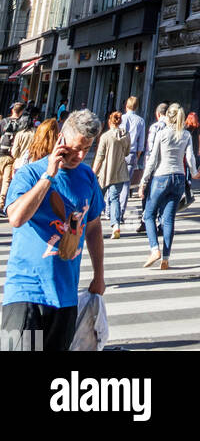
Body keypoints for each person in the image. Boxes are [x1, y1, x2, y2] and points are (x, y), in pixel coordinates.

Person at [1, 109, 105, 351]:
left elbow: (93, 227)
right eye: (76, 147)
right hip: (26, 294)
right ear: (62, 139)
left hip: (65, 295)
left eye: (86, 149)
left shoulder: (87, 176)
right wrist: (49, 176)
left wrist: (99, 275)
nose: (80, 155)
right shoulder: (30, 173)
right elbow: (15, 218)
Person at [139, 102, 200, 269]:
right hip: (179, 178)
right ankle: (165, 257)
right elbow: (190, 158)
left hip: (161, 176)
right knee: (169, 219)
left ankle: (154, 249)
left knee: (149, 214)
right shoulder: (186, 135)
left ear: (168, 116)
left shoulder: (162, 133)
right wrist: (194, 173)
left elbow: (152, 160)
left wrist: (143, 181)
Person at [92, 112, 131, 240]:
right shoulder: (126, 135)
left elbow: (100, 157)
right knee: (114, 199)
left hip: (104, 172)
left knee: (98, 198)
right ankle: (116, 226)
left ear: (110, 122)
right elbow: (126, 153)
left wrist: (93, 172)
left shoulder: (105, 136)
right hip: (119, 171)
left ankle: (94, 225)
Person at [136, 102, 167, 235]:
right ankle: (162, 223)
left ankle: (146, 220)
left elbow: (150, 149)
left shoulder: (155, 127)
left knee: (147, 194)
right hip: (166, 167)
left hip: (153, 166)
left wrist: (146, 170)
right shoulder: (174, 128)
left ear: (158, 114)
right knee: (163, 196)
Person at [118, 96, 145, 224]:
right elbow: (141, 142)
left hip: (119, 152)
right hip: (132, 153)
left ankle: (110, 210)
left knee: (114, 181)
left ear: (126, 106)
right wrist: (137, 155)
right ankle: (120, 213)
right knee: (125, 185)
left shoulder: (121, 118)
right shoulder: (140, 121)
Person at [0, 102, 25, 211]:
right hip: (11, 156)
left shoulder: (3, 121)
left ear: (12, 110)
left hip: (1, 152)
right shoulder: (21, 124)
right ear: (22, 112)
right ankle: (1, 204)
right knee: (6, 181)